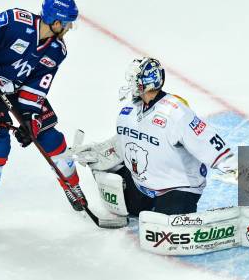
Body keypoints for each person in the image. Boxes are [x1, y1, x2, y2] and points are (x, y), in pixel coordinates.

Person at [0, 0, 82, 238]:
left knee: (48, 136)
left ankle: (73, 187)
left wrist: (28, 118)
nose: (69, 28)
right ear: (57, 22)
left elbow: (37, 85)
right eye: (68, 23)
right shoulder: (17, 20)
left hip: (17, 88)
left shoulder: (57, 50)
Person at [74, 57, 237, 216]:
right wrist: (98, 152)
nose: (130, 83)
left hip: (177, 186)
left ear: (148, 82)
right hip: (141, 184)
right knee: (130, 208)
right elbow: (125, 141)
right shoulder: (128, 111)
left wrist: (237, 169)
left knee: (166, 229)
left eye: (134, 79)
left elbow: (207, 141)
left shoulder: (177, 113)